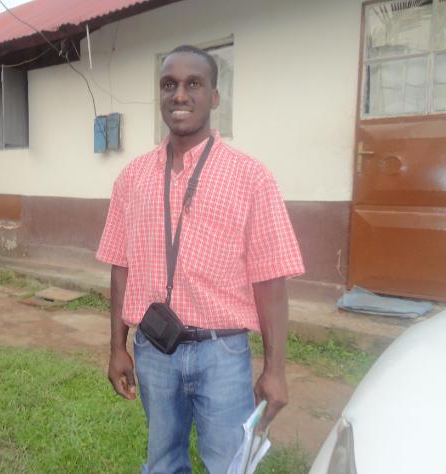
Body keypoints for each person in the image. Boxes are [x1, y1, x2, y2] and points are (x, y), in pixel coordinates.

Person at [96, 44, 304, 474]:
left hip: (222, 352)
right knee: (162, 461)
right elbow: (121, 267)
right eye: (168, 85)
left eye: (193, 84)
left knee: (228, 465)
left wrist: (275, 369)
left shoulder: (250, 177)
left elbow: (270, 278)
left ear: (215, 96)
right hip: (154, 349)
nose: (179, 95)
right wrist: (118, 347)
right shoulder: (132, 178)